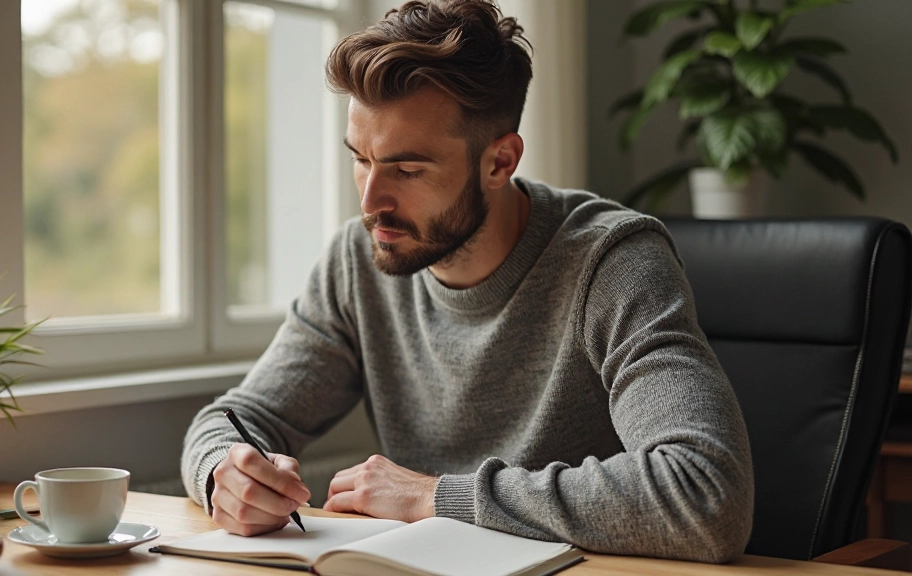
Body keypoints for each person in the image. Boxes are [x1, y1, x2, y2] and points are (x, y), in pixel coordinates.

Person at [182, 0, 754, 564]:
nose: (370, 202)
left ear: (500, 162)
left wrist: (436, 496)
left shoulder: (613, 261)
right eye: (361, 158)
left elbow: (705, 493)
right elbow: (235, 419)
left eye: (407, 170)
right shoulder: (357, 261)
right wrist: (224, 474)